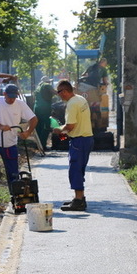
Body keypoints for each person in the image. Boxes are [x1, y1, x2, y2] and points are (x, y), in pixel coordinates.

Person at [52, 80, 94, 212]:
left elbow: (70, 126)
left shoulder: (71, 105)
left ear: (64, 91)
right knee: (79, 169)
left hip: (79, 140)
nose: (58, 95)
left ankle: (78, 201)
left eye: (59, 92)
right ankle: (79, 198)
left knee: (75, 169)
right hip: (87, 138)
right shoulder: (80, 99)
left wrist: (59, 129)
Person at [33, 76, 57, 149]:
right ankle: (43, 145)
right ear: (48, 81)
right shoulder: (46, 85)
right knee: (46, 126)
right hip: (44, 108)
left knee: (38, 126)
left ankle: (38, 145)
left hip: (37, 108)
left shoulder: (38, 87)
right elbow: (55, 92)